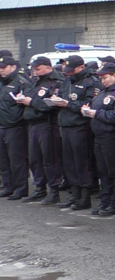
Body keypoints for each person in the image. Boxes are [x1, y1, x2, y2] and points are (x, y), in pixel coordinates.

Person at [54, 55, 101, 211]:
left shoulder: (91, 82)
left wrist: (68, 104)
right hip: (65, 124)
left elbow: (88, 105)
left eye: (72, 70)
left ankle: (85, 196)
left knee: (82, 163)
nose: (69, 74)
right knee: (69, 162)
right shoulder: (68, 80)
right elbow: (61, 95)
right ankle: (74, 193)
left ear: (81, 67)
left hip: (81, 126)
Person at [82, 63, 115, 216]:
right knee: (103, 171)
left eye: (105, 77)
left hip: (113, 135)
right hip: (99, 135)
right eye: (101, 77)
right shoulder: (103, 92)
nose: (103, 80)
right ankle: (105, 201)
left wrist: (95, 114)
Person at [19, 57, 64, 205]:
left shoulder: (56, 82)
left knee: (50, 159)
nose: (35, 72)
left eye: (38, 69)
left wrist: (31, 102)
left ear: (47, 67)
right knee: (35, 159)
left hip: (48, 124)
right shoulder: (36, 81)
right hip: (33, 124)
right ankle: (39, 188)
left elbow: (50, 105)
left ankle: (54, 190)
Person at [0, 56, 30, 200]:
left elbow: (27, 104)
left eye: (4, 67)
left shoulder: (21, 82)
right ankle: (8, 186)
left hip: (15, 126)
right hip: (1, 125)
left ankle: (20, 188)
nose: (1, 70)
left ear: (13, 67)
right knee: (3, 159)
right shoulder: (1, 83)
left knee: (16, 159)